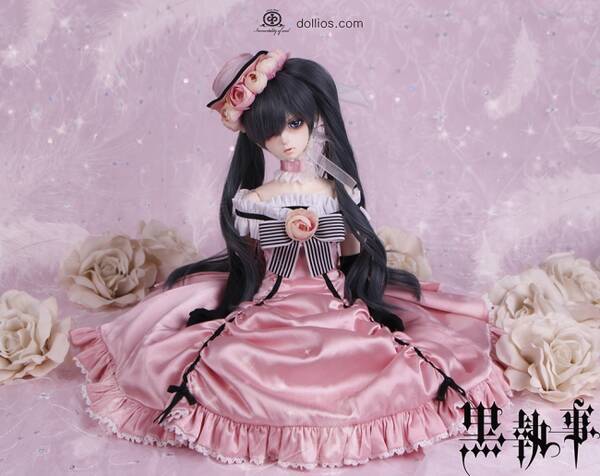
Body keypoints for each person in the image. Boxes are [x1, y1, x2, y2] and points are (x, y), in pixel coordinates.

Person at [69, 48, 513, 470]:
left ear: (314, 120)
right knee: (231, 358)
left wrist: (348, 260)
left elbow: (351, 251)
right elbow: (253, 255)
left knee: (369, 361)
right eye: (270, 131)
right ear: (253, 135)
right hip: (271, 301)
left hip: (334, 299)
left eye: (295, 124)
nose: (284, 139)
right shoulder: (255, 200)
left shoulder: (337, 192)